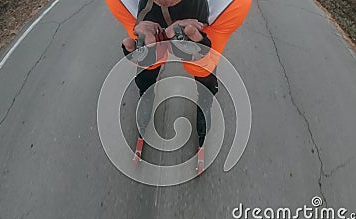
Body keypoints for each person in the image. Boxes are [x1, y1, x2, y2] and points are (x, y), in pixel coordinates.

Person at [105, 0, 251, 171]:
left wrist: (199, 55)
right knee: (148, 55)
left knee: (201, 66)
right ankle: (146, 92)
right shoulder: (120, 3)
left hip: (211, 17)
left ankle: (204, 103)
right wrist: (148, 55)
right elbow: (146, 47)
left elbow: (205, 64)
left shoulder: (231, 4)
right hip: (143, 13)